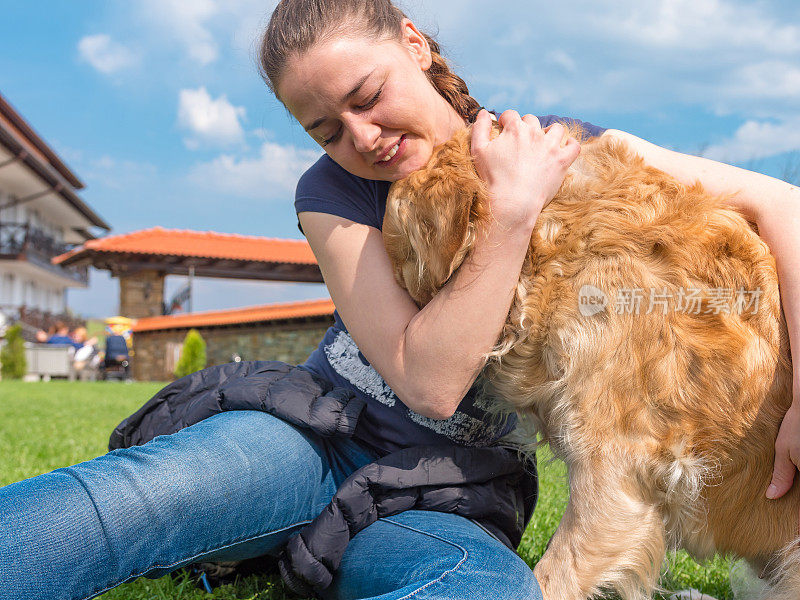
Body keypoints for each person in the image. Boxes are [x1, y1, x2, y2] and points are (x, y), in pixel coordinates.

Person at [1, 1, 800, 599]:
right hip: (315, 439)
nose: (363, 136)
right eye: (326, 127)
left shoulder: (562, 146)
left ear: (414, 43)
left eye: (367, 94)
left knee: (476, 591)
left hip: (454, 492)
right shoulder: (333, 193)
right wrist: (514, 212)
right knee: (124, 504)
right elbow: (428, 381)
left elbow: (784, 206)